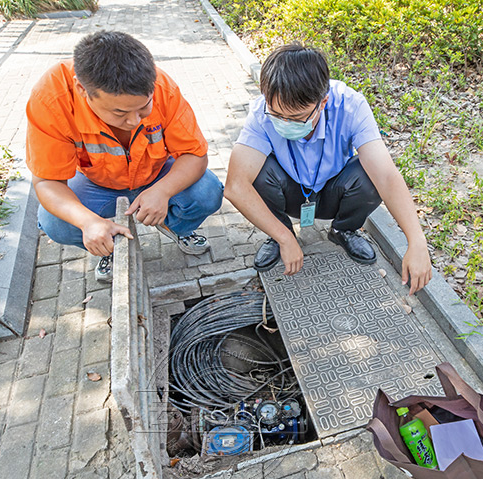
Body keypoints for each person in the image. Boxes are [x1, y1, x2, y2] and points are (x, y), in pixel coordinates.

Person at [224, 44, 433, 295]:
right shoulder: (261, 113)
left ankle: (343, 230)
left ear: (322, 102)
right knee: (255, 172)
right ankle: (278, 233)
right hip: (289, 192)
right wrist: (284, 237)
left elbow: (387, 177)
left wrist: (417, 241)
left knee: (370, 175)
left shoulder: (351, 106)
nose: (285, 124)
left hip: (332, 192)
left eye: (297, 117)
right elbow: (235, 186)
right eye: (277, 115)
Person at [26, 31, 223, 281]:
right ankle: (105, 244)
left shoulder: (163, 87)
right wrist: (88, 222)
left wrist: (162, 191)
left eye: (144, 108)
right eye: (119, 112)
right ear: (81, 89)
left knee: (208, 191)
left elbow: (195, 155)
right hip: (96, 183)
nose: (133, 121)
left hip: (156, 172)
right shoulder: (51, 99)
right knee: (54, 222)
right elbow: (46, 182)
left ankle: (177, 227)